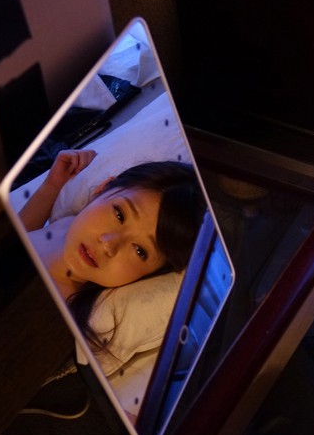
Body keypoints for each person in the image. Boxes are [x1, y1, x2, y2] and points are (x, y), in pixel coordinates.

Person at [18, 149, 205, 350]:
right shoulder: (67, 224)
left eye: (140, 251)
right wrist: (52, 186)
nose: (109, 244)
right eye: (119, 214)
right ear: (103, 188)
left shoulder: (56, 318)